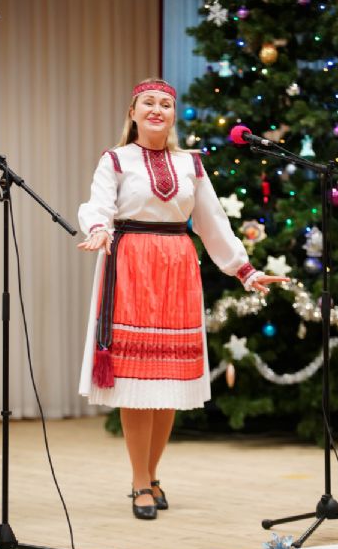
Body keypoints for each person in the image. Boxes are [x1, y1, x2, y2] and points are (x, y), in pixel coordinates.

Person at [77, 78, 289, 520]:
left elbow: (212, 222)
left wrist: (244, 269)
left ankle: (152, 474)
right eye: (148, 103)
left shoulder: (191, 163)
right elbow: (98, 205)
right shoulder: (116, 159)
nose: (157, 110)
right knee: (137, 386)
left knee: (167, 385)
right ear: (133, 113)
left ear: (174, 115)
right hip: (131, 264)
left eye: (166, 104)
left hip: (177, 266)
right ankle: (139, 481)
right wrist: (98, 229)